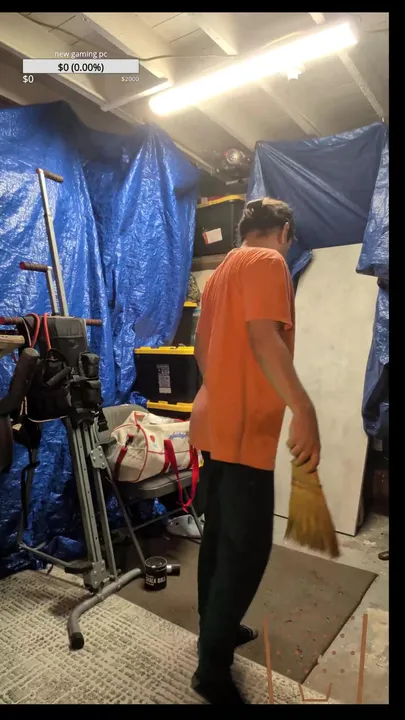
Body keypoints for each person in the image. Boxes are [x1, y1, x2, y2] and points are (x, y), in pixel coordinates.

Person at [189, 197, 321, 704]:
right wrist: (303, 409)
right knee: (245, 552)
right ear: (284, 231)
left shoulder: (221, 271)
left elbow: (202, 350)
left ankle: (214, 627)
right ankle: (212, 668)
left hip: (217, 422)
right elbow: (265, 338)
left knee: (220, 539)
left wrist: (224, 389)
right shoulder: (268, 261)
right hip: (245, 431)